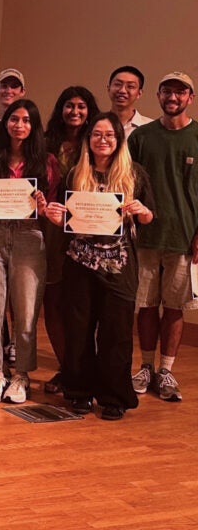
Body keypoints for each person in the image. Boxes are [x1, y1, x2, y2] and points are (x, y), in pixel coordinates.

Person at [44, 113, 154, 419]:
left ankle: (113, 397)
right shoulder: (74, 175)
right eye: (96, 134)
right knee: (78, 330)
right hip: (79, 264)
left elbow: (149, 218)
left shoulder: (135, 174)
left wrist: (142, 211)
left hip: (119, 268)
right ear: (88, 139)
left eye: (109, 135)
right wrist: (56, 217)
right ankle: (79, 392)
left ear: (118, 140)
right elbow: (67, 219)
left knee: (116, 334)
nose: (102, 140)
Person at [0, 99, 60, 404]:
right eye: (13, 119)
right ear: (5, 122)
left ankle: (22, 375)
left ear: (33, 126)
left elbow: (51, 209)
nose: (19, 125)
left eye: (26, 120)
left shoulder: (47, 162)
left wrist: (43, 206)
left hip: (29, 236)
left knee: (25, 312)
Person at [128, 71, 198, 403]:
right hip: (144, 237)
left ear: (190, 98)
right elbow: (126, 182)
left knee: (174, 306)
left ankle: (166, 369)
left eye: (180, 92)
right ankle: (144, 366)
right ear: (158, 95)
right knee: (145, 304)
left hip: (183, 238)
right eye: (167, 91)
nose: (173, 97)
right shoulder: (141, 137)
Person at [41, 85, 99, 392]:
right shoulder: (46, 143)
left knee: (79, 306)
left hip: (86, 234)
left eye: (81, 106)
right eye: (68, 106)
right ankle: (65, 368)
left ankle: (81, 369)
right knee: (53, 302)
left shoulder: (97, 145)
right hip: (51, 233)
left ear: (90, 110)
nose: (74, 112)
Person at [107, 65, 152, 136]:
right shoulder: (96, 124)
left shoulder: (150, 128)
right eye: (117, 84)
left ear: (139, 93)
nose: (122, 90)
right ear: (108, 88)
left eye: (130, 86)